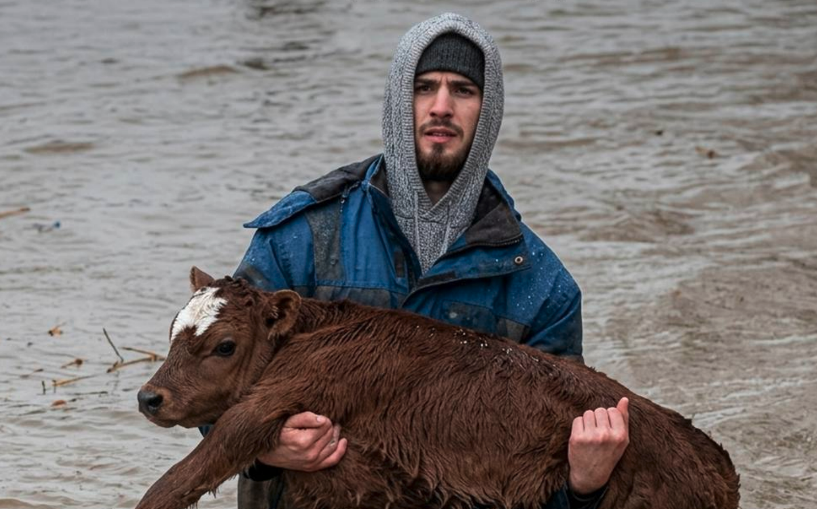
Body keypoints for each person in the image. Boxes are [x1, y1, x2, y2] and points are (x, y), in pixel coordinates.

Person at [231, 13, 628, 509]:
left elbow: (541, 482)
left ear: (489, 111)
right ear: (399, 99)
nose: (441, 107)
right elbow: (211, 379)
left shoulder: (541, 286)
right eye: (424, 87)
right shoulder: (301, 238)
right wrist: (267, 448)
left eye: (463, 90)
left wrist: (585, 486)